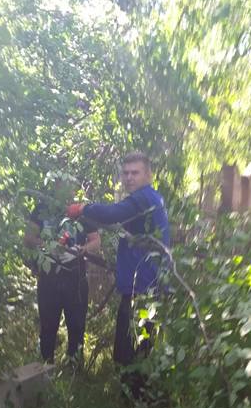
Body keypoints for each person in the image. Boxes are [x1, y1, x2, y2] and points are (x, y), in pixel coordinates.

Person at [66, 152, 170, 374]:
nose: (129, 177)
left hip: (142, 291)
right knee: (138, 350)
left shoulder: (143, 198)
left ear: (148, 175)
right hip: (147, 287)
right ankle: (139, 399)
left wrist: (83, 208)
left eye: (135, 172)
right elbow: (120, 223)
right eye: (126, 173)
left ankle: (135, 402)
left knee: (130, 354)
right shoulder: (150, 199)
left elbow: (113, 214)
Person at [24, 175, 101, 364]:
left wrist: (82, 250)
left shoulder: (81, 211)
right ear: (54, 186)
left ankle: (74, 368)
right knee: (48, 325)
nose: (65, 189)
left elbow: (96, 241)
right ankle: (45, 368)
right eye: (60, 185)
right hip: (49, 276)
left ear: (74, 189)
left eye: (69, 186)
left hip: (75, 277)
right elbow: (28, 238)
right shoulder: (42, 209)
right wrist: (47, 245)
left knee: (76, 326)